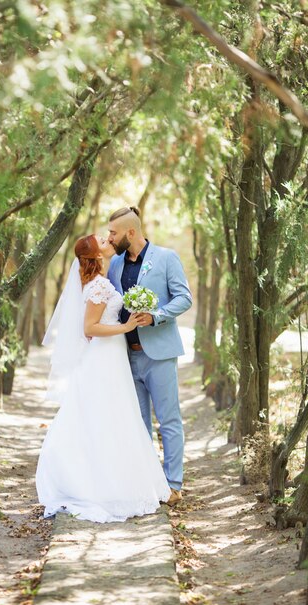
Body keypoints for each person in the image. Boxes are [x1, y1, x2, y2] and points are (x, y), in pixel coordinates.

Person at [35, 234, 171, 523]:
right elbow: (91, 327)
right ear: (96, 255)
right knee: (105, 416)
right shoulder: (98, 285)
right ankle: (97, 485)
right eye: (100, 239)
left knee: (116, 416)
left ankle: (118, 479)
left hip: (113, 356)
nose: (106, 238)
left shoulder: (105, 278)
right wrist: (126, 326)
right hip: (103, 357)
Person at [107, 207, 192, 506]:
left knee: (168, 421)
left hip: (159, 355)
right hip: (125, 357)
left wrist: (156, 316)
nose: (110, 238)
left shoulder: (166, 258)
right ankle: (147, 483)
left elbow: (184, 297)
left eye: (113, 233)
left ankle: (173, 484)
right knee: (138, 423)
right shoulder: (114, 265)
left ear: (131, 232)